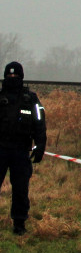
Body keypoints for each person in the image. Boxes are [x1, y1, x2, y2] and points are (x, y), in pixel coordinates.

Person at [0, 62, 46, 235]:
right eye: (10, 76)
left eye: (16, 76)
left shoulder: (30, 99)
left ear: (22, 77)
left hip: (21, 151)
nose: (13, 79)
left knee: (20, 189)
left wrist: (40, 145)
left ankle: (19, 224)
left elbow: (40, 122)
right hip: (1, 149)